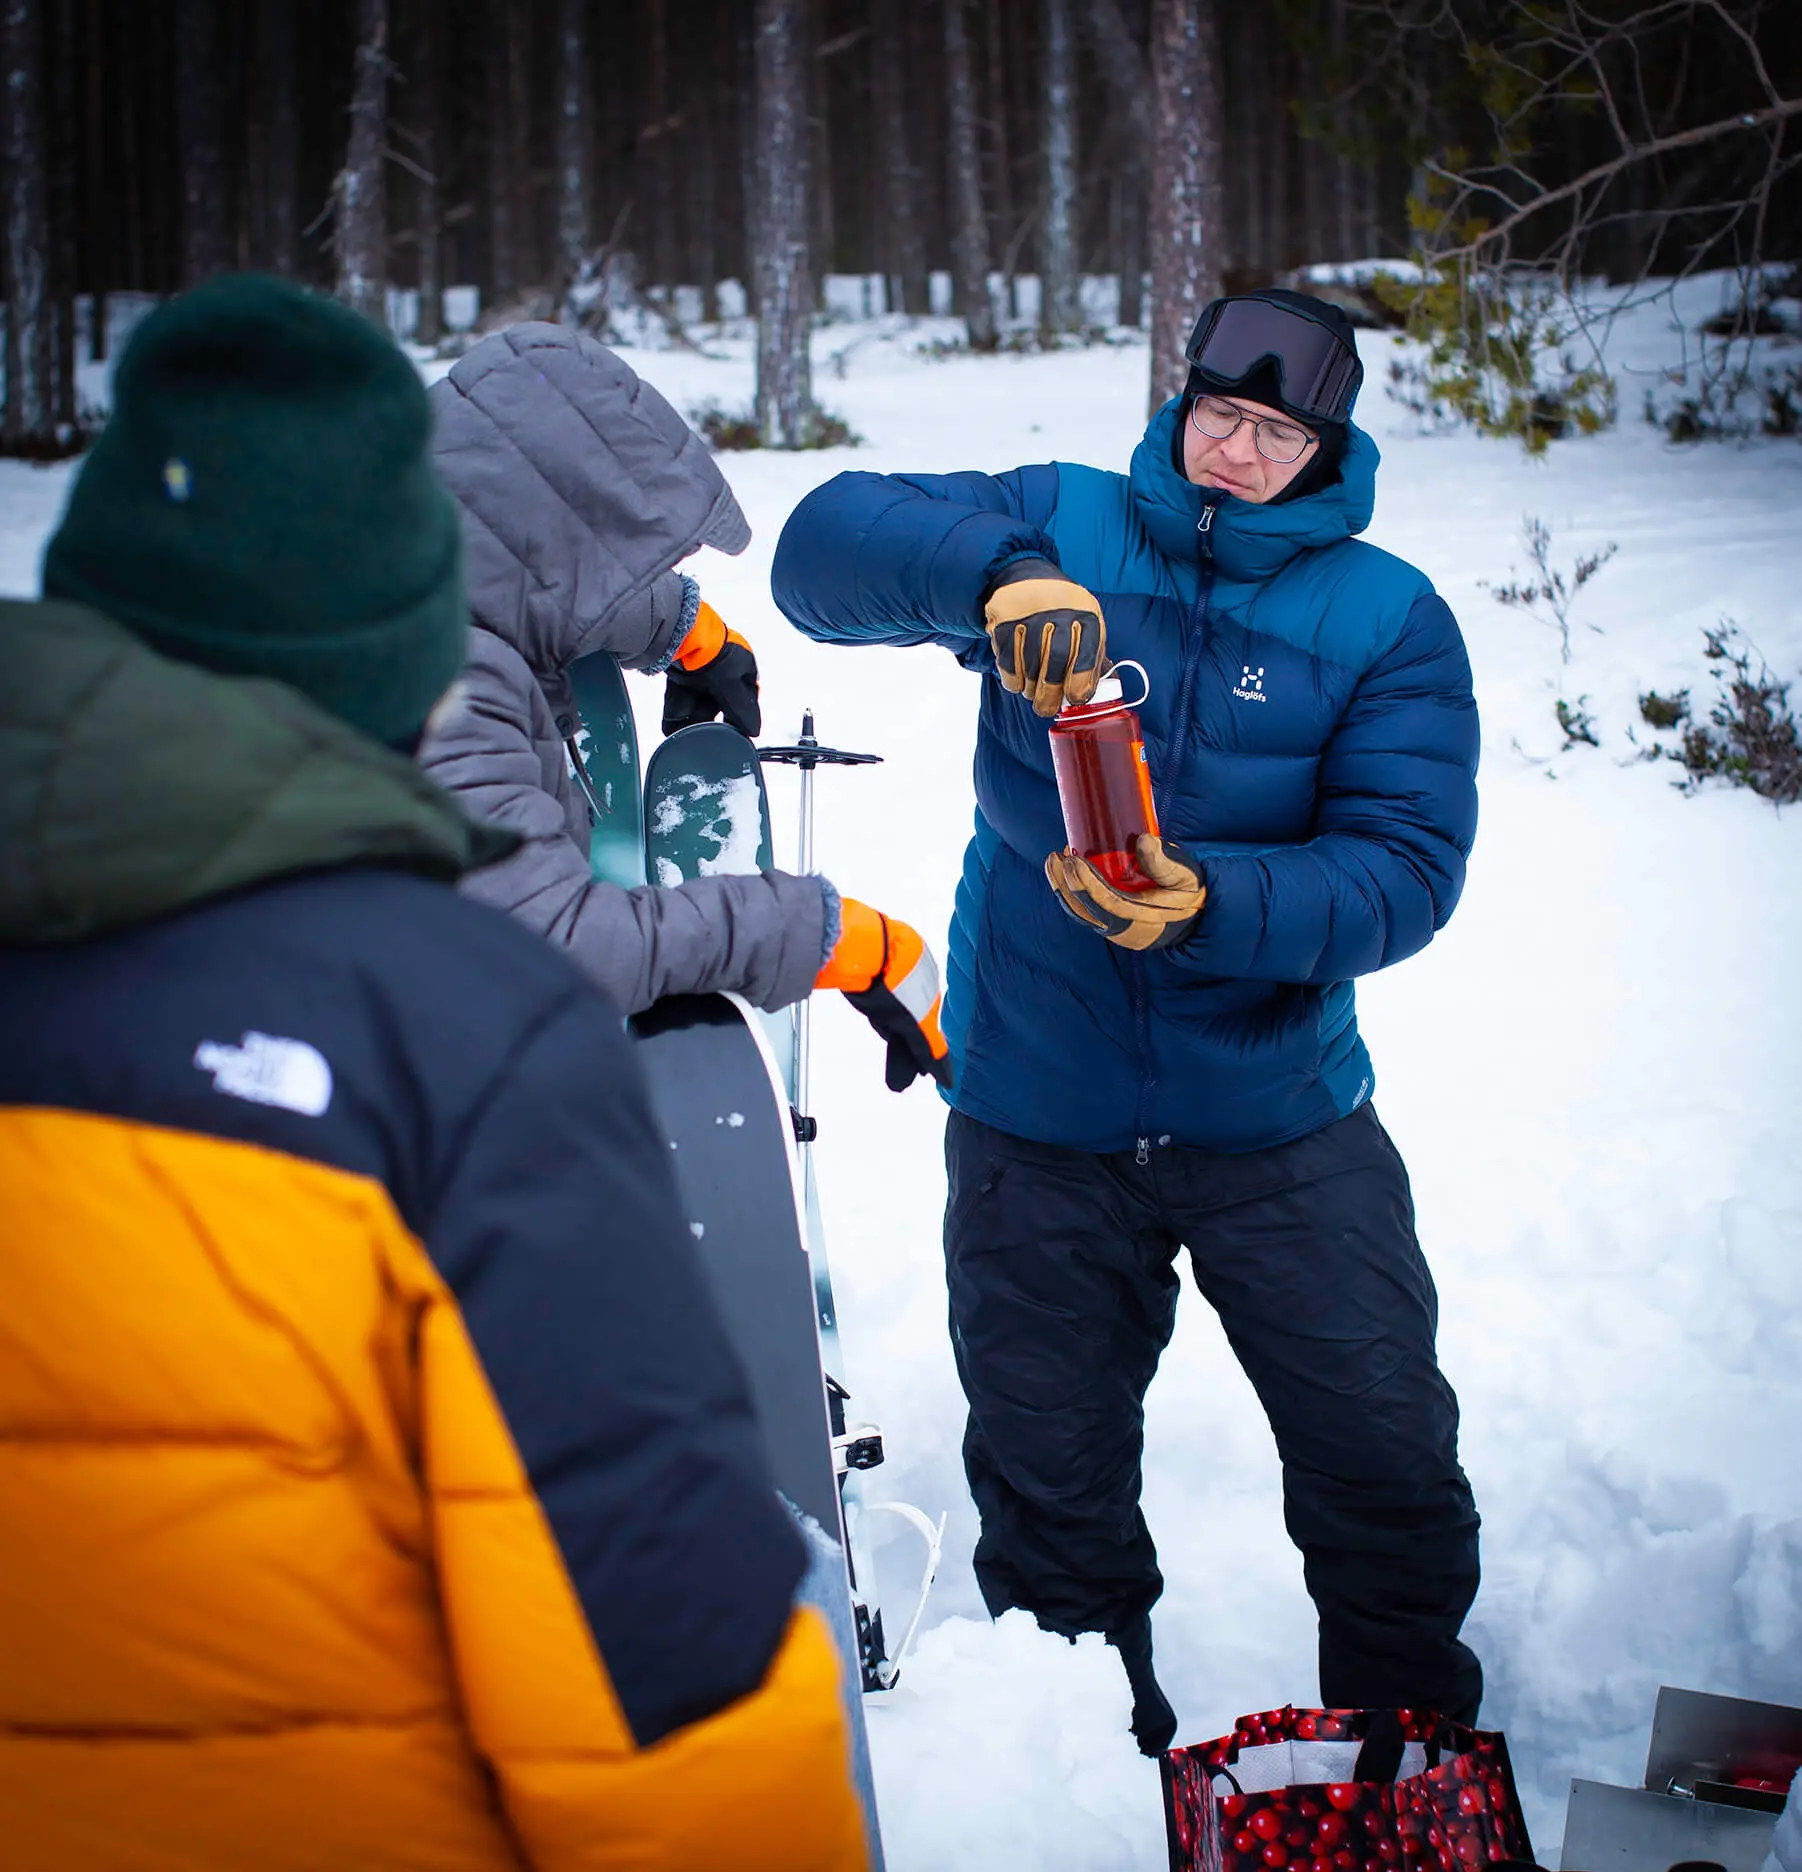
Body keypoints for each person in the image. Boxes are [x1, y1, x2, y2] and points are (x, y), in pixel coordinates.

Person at [0, 275, 867, 1870]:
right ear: (399, 639)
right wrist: (826, 931)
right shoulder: (469, 1038)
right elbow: (662, 1679)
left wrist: (672, 623)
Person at [770, 288, 1484, 1755]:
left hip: (1277, 1113)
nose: (1233, 453)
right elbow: (818, 550)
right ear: (1180, 402)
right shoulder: (1068, 523)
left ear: (1325, 448)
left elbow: (1402, 874)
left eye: (1274, 434)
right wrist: (992, 575)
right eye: (1218, 415)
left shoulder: (1382, 616)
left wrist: (1206, 900)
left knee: (1385, 1465)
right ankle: (1087, 1788)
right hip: (1039, 1112)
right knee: (1051, 1497)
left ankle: (1405, 1773)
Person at [418, 324, 949, 1093]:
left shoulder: (396, 587)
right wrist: (832, 936)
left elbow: (515, 562)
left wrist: (683, 630)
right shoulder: (445, 692)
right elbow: (561, 953)